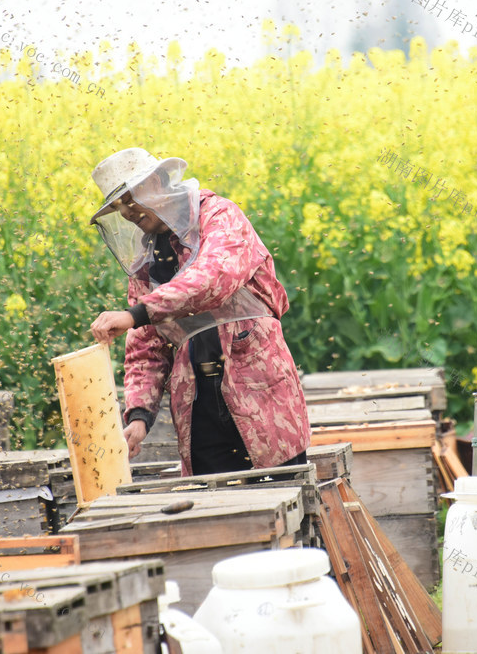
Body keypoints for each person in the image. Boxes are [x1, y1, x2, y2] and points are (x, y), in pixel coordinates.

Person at [87, 147, 311, 476]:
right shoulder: (146, 260)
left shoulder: (219, 215)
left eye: (131, 199)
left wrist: (135, 314)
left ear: (160, 181)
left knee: (281, 504)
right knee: (216, 516)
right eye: (119, 207)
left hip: (261, 394)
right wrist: (138, 416)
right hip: (197, 406)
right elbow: (147, 348)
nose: (128, 212)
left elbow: (212, 277)